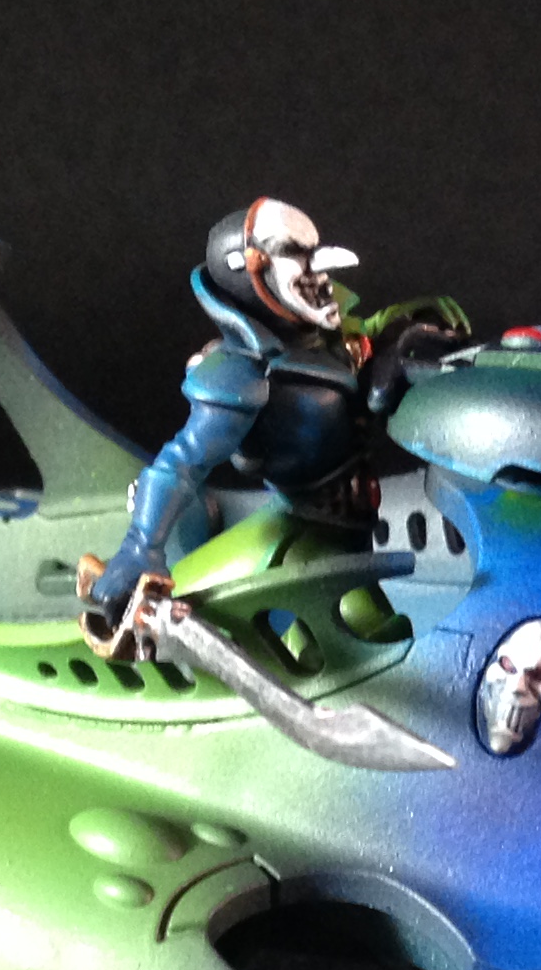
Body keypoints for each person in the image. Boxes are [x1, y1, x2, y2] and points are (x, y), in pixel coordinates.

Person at [80, 198, 463, 657]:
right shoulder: (243, 374)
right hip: (311, 531)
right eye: (295, 254)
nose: (319, 270)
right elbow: (180, 463)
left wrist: (409, 321)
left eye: (314, 251)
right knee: (368, 633)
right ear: (249, 269)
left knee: (324, 640)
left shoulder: (323, 337)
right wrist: (141, 547)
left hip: (355, 523)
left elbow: (362, 336)